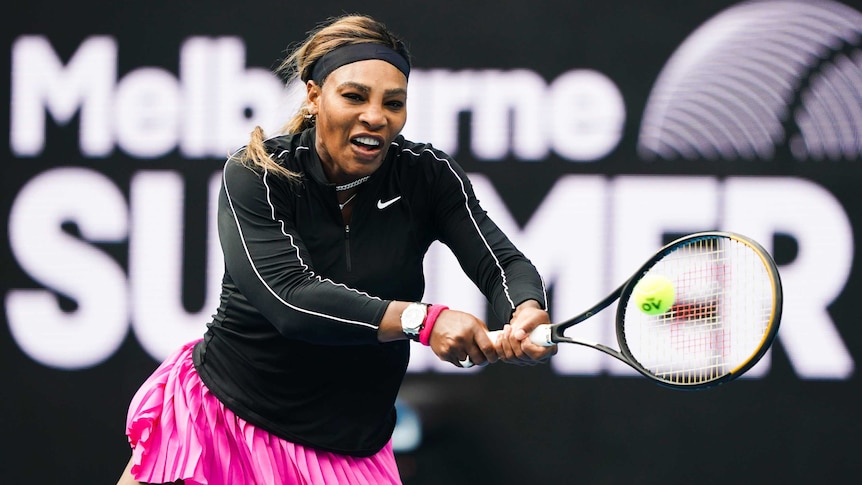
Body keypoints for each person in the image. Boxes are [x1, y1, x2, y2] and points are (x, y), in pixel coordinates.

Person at [117, 12, 556, 485]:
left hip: (349, 453)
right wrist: (423, 321)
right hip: (223, 424)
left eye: (394, 102)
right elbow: (289, 299)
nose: (376, 116)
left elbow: (502, 261)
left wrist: (524, 308)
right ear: (313, 95)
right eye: (354, 96)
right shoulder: (259, 173)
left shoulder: (426, 175)